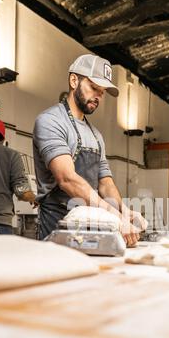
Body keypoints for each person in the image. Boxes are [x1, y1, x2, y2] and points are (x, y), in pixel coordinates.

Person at [33, 54, 147, 245]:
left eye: (102, 92)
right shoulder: (50, 121)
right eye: (94, 88)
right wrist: (114, 218)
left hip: (90, 225)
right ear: (73, 80)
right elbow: (67, 179)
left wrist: (124, 212)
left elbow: (105, 183)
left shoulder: (96, 135)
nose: (98, 97)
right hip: (56, 225)